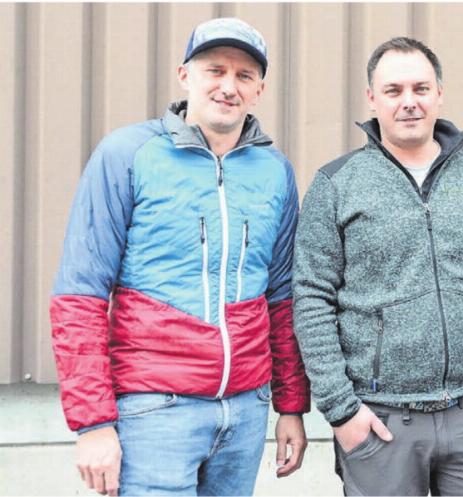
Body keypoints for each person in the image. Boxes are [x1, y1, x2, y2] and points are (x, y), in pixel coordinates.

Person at [50, 17, 311, 496]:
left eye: (244, 75)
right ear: (184, 74)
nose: (228, 86)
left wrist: (290, 405)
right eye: (215, 70)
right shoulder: (127, 154)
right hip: (155, 411)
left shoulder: (274, 171)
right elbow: (80, 296)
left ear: (259, 90)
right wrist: (93, 424)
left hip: (246, 411)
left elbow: (281, 298)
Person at [292, 36, 463, 496]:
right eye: (393, 90)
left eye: (420, 88)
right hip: (379, 420)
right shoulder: (337, 184)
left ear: (439, 93)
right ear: (371, 98)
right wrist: (341, 410)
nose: (409, 102)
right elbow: (312, 299)